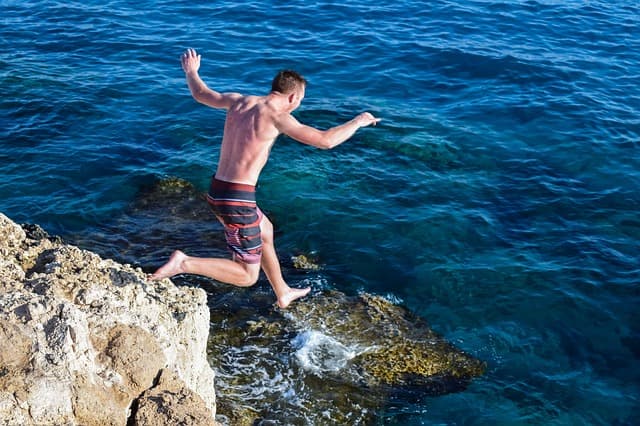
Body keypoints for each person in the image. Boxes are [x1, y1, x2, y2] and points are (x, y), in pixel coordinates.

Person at [150, 48, 380, 308]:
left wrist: (191, 72)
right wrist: (358, 121)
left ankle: (282, 292)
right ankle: (184, 263)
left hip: (218, 189)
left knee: (265, 230)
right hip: (237, 200)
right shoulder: (278, 117)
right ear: (293, 97)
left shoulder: (239, 101)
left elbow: (201, 94)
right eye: (300, 100)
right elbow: (326, 141)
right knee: (247, 276)